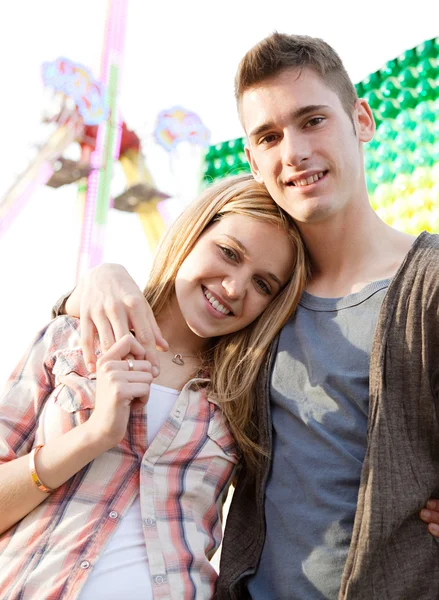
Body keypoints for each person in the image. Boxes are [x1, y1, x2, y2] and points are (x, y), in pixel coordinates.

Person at [58, 33, 439, 599]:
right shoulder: (254, 304)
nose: (295, 152)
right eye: (269, 136)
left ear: (361, 119)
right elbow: (170, 331)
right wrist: (97, 280)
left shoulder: (427, 285)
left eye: (313, 120)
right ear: (252, 159)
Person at [0, 174, 308, 599]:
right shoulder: (72, 337)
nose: (234, 288)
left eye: (262, 284)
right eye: (229, 253)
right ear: (193, 231)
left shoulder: (250, 392)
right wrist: (92, 436)